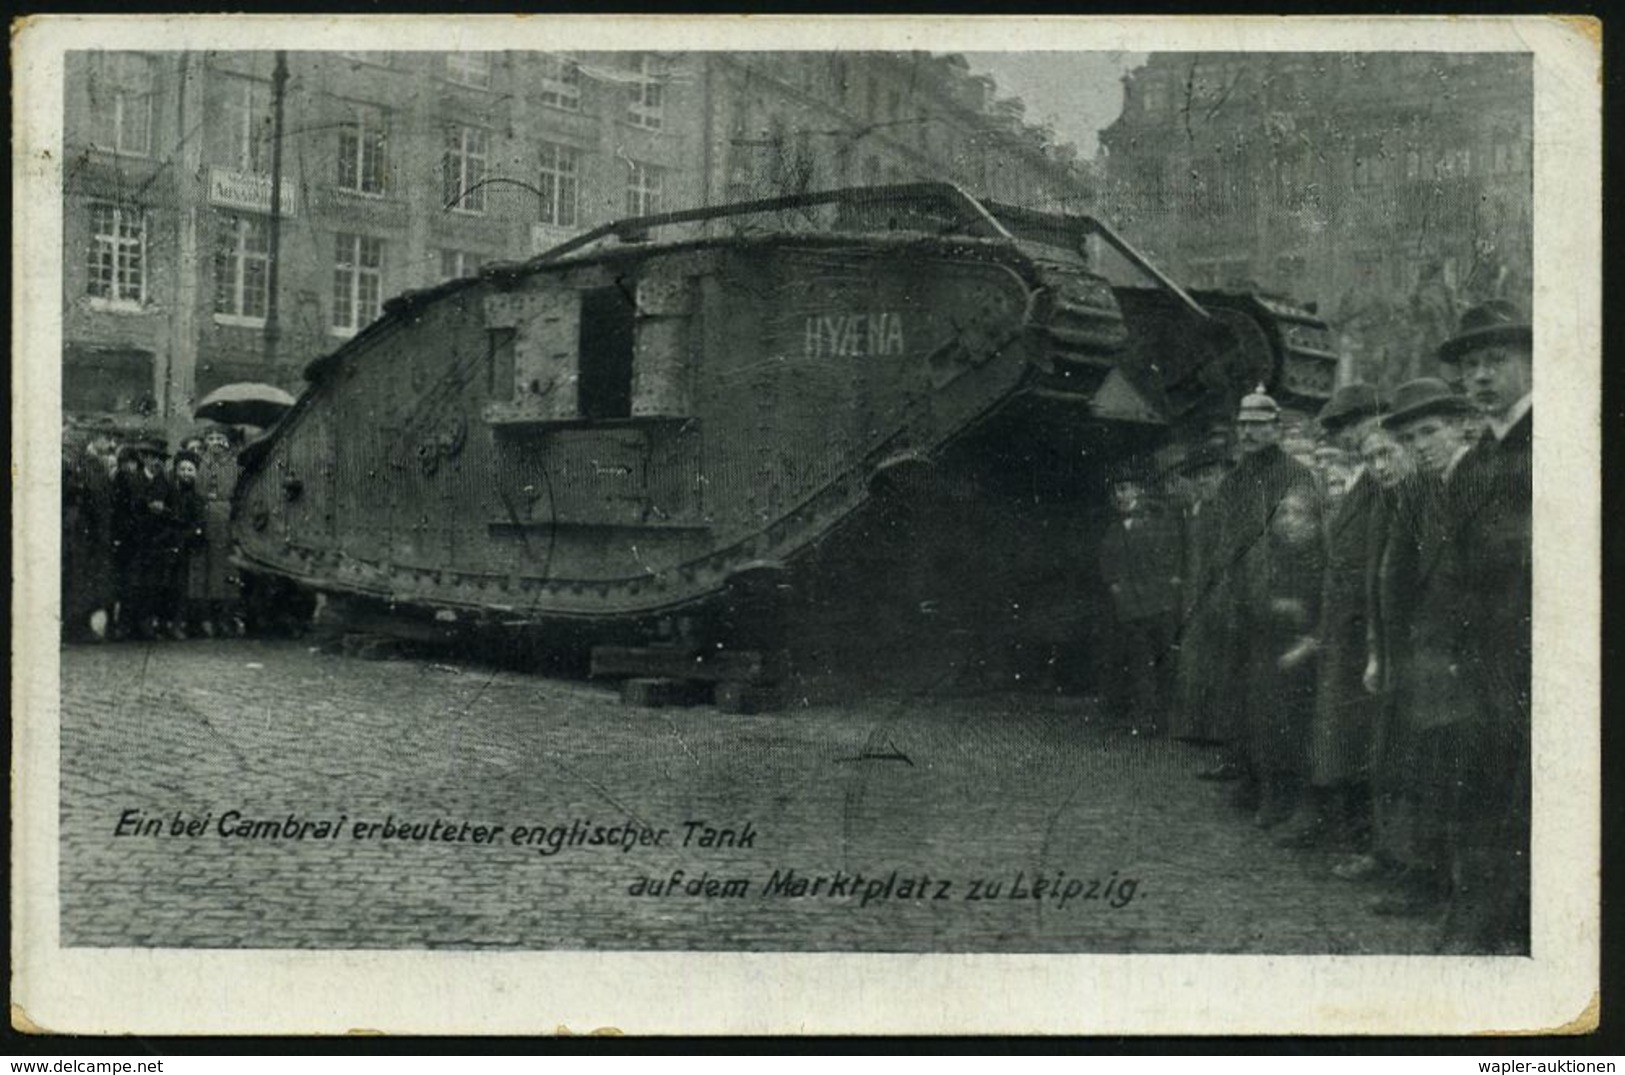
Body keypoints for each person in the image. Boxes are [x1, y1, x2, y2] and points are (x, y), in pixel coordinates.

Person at [1433, 300, 1533, 954]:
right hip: (1478, 658)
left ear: (1529, 360)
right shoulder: (1471, 464)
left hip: (1538, 654)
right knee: (1480, 787)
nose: (1479, 377)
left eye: (1494, 360)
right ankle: (1482, 918)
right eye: (1469, 366)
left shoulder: (1564, 441)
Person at [1369, 377, 1478, 918]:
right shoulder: (1418, 492)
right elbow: (1394, 577)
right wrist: (1389, 654)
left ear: (1463, 425)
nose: (1421, 447)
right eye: (1411, 440)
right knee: (1426, 774)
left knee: (1466, 780)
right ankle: (1428, 880)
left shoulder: (1485, 481)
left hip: (1474, 660)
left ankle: (1464, 892)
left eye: (1431, 432)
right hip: (1425, 657)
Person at [1203, 386, 1321, 809]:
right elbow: (1223, 540)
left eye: (1258, 425)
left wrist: (1285, 598)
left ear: (1276, 428)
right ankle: (1248, 778)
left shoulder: (1295, 475)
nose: (1249, 433)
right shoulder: (1235, 477)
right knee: (1240, 697)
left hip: (1278, 602)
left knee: (1277, 704)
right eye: (1243, 425)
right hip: (1238, 601)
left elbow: (1300, 541)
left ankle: (1280, 790)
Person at [1278, 384, 1384, 851]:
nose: (1348, 435)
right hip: (1338, 628)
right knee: (1334, 733)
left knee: (1351, 735)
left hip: (1359, 630)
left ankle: (1353, 835)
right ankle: (1334, 827)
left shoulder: (1377, 482)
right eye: (1341, 428)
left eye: (1355, 424)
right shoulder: (1353, 483)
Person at [1096, 462, 1184, 735]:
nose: (1119, 496)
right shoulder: (1113, 528)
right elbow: (1107, 565)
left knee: (1166, 663)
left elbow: (1174, 560)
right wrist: (1116, 588)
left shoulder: (1159, 520)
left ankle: (1169, 719)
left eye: (1124, 489)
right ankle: (1146, 718)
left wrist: (1167, 594)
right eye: (1115, 491)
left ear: (1139, 490)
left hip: (1160, 605)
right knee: (1139, 664)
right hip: (1131, 609)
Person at [1168, 441, 1234, 748]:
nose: (1204, 480)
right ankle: (1195, 727)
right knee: (1196, 661)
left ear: (1223, 473)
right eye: (1198, 476)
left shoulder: (1229, 510)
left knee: (1220, 664)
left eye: (1210, 473)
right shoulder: (1197, 510)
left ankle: (1218, 731)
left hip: (1220, 596)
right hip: (1195, 597)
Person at [113, 436, 177, 641]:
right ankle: (125, 624)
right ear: (143, 458)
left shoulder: (167, 484)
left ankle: (145, 623)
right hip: (133, 541)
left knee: (152, 585)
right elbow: (120, 511)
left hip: (156, 542)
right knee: (131, 583)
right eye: (151, 457)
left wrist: (163, 510)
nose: (155, 462)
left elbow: (175, 514)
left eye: (159, 459)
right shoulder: (129, 480)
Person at [61, 424, 117, 642]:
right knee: (79, 578)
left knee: (87, 580)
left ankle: (80, 624)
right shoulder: (83, 462)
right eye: (107, 438)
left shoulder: (93, 462)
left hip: (92, 529)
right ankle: (75, 627)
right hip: (83, 529)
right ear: (94, 438)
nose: (111, 444)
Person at [197, 424, 244, 635]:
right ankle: (205, 618)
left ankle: (226, 617)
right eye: (211, 438)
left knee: (227, 570)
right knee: (205, 569)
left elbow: (235, 489)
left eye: (220, 438)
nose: (215, 442)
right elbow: (199, 487)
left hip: (227, 519)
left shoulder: (234, 464)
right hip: (204, 519)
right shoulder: (200, 461)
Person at [168, 449, 211, 638]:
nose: (185, 473)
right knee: (173, 585)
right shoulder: (172, 493)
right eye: (182, 469)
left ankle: (187, 622)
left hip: (190, 545)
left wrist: (191, 534)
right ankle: (170, 622)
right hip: (172, 542)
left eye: (190, 470)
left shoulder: (197, 497)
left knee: (189, 586)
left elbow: (200, 522)